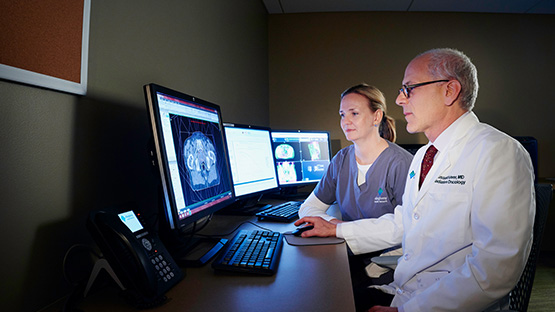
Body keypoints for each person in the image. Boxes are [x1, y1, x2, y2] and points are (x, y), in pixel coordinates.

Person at [295, 48, 535, 312]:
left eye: (409, 88)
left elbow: (496, 268)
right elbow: (403, 223)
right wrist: (336, 229)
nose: (399, 100)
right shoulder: (423, 156)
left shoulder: (498, 152)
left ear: (449, 91)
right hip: (405, 291)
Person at [297, 83, 413, 308]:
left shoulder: (400, 164)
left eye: (354, 113)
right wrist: (336, 224)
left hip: (391, 266)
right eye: (342, 114)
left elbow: (406, 227)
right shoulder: (341, 160)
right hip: (349, 256)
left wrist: (337, 229)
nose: (345, 121)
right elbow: (308, 208)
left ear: (376, 116)